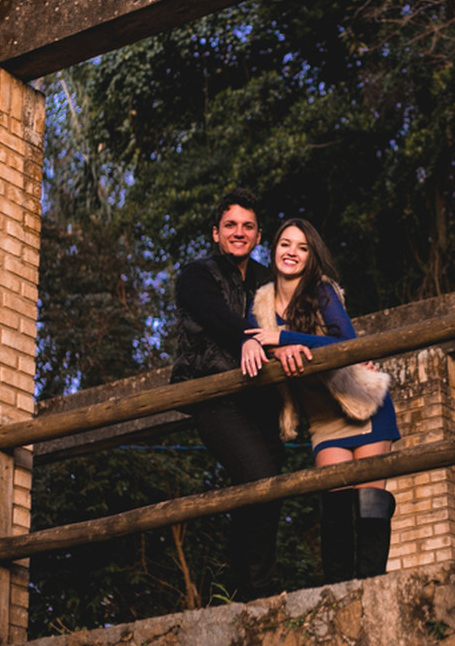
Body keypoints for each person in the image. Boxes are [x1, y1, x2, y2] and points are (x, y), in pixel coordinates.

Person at [240, 218, 401, 583]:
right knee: (335, 506)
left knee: (369, 503)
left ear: (311, 256)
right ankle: (340, 593)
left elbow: (347, 344)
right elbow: (254, 342)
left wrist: (285, 338)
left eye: (302, 247)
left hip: (362, 405)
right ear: (273, 249)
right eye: (285, 244)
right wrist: (265, 346)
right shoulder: (261, 304)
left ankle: (373, 588)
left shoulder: (322, 291)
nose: (292, 252)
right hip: (324, 420)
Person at [170, 188, 308, 601]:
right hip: (216, 397)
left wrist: (344, 352)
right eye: (230, 225)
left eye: (248, 226)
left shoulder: (269, 280)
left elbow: (302, 319)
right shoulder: (196, 276)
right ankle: (257, 591)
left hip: (263, 401)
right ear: (216, 233)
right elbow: (216, 317)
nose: (238, 232)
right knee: (259, 476)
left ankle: (244, 590)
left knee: (266, 488)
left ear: (259, 235)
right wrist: (249, 339)